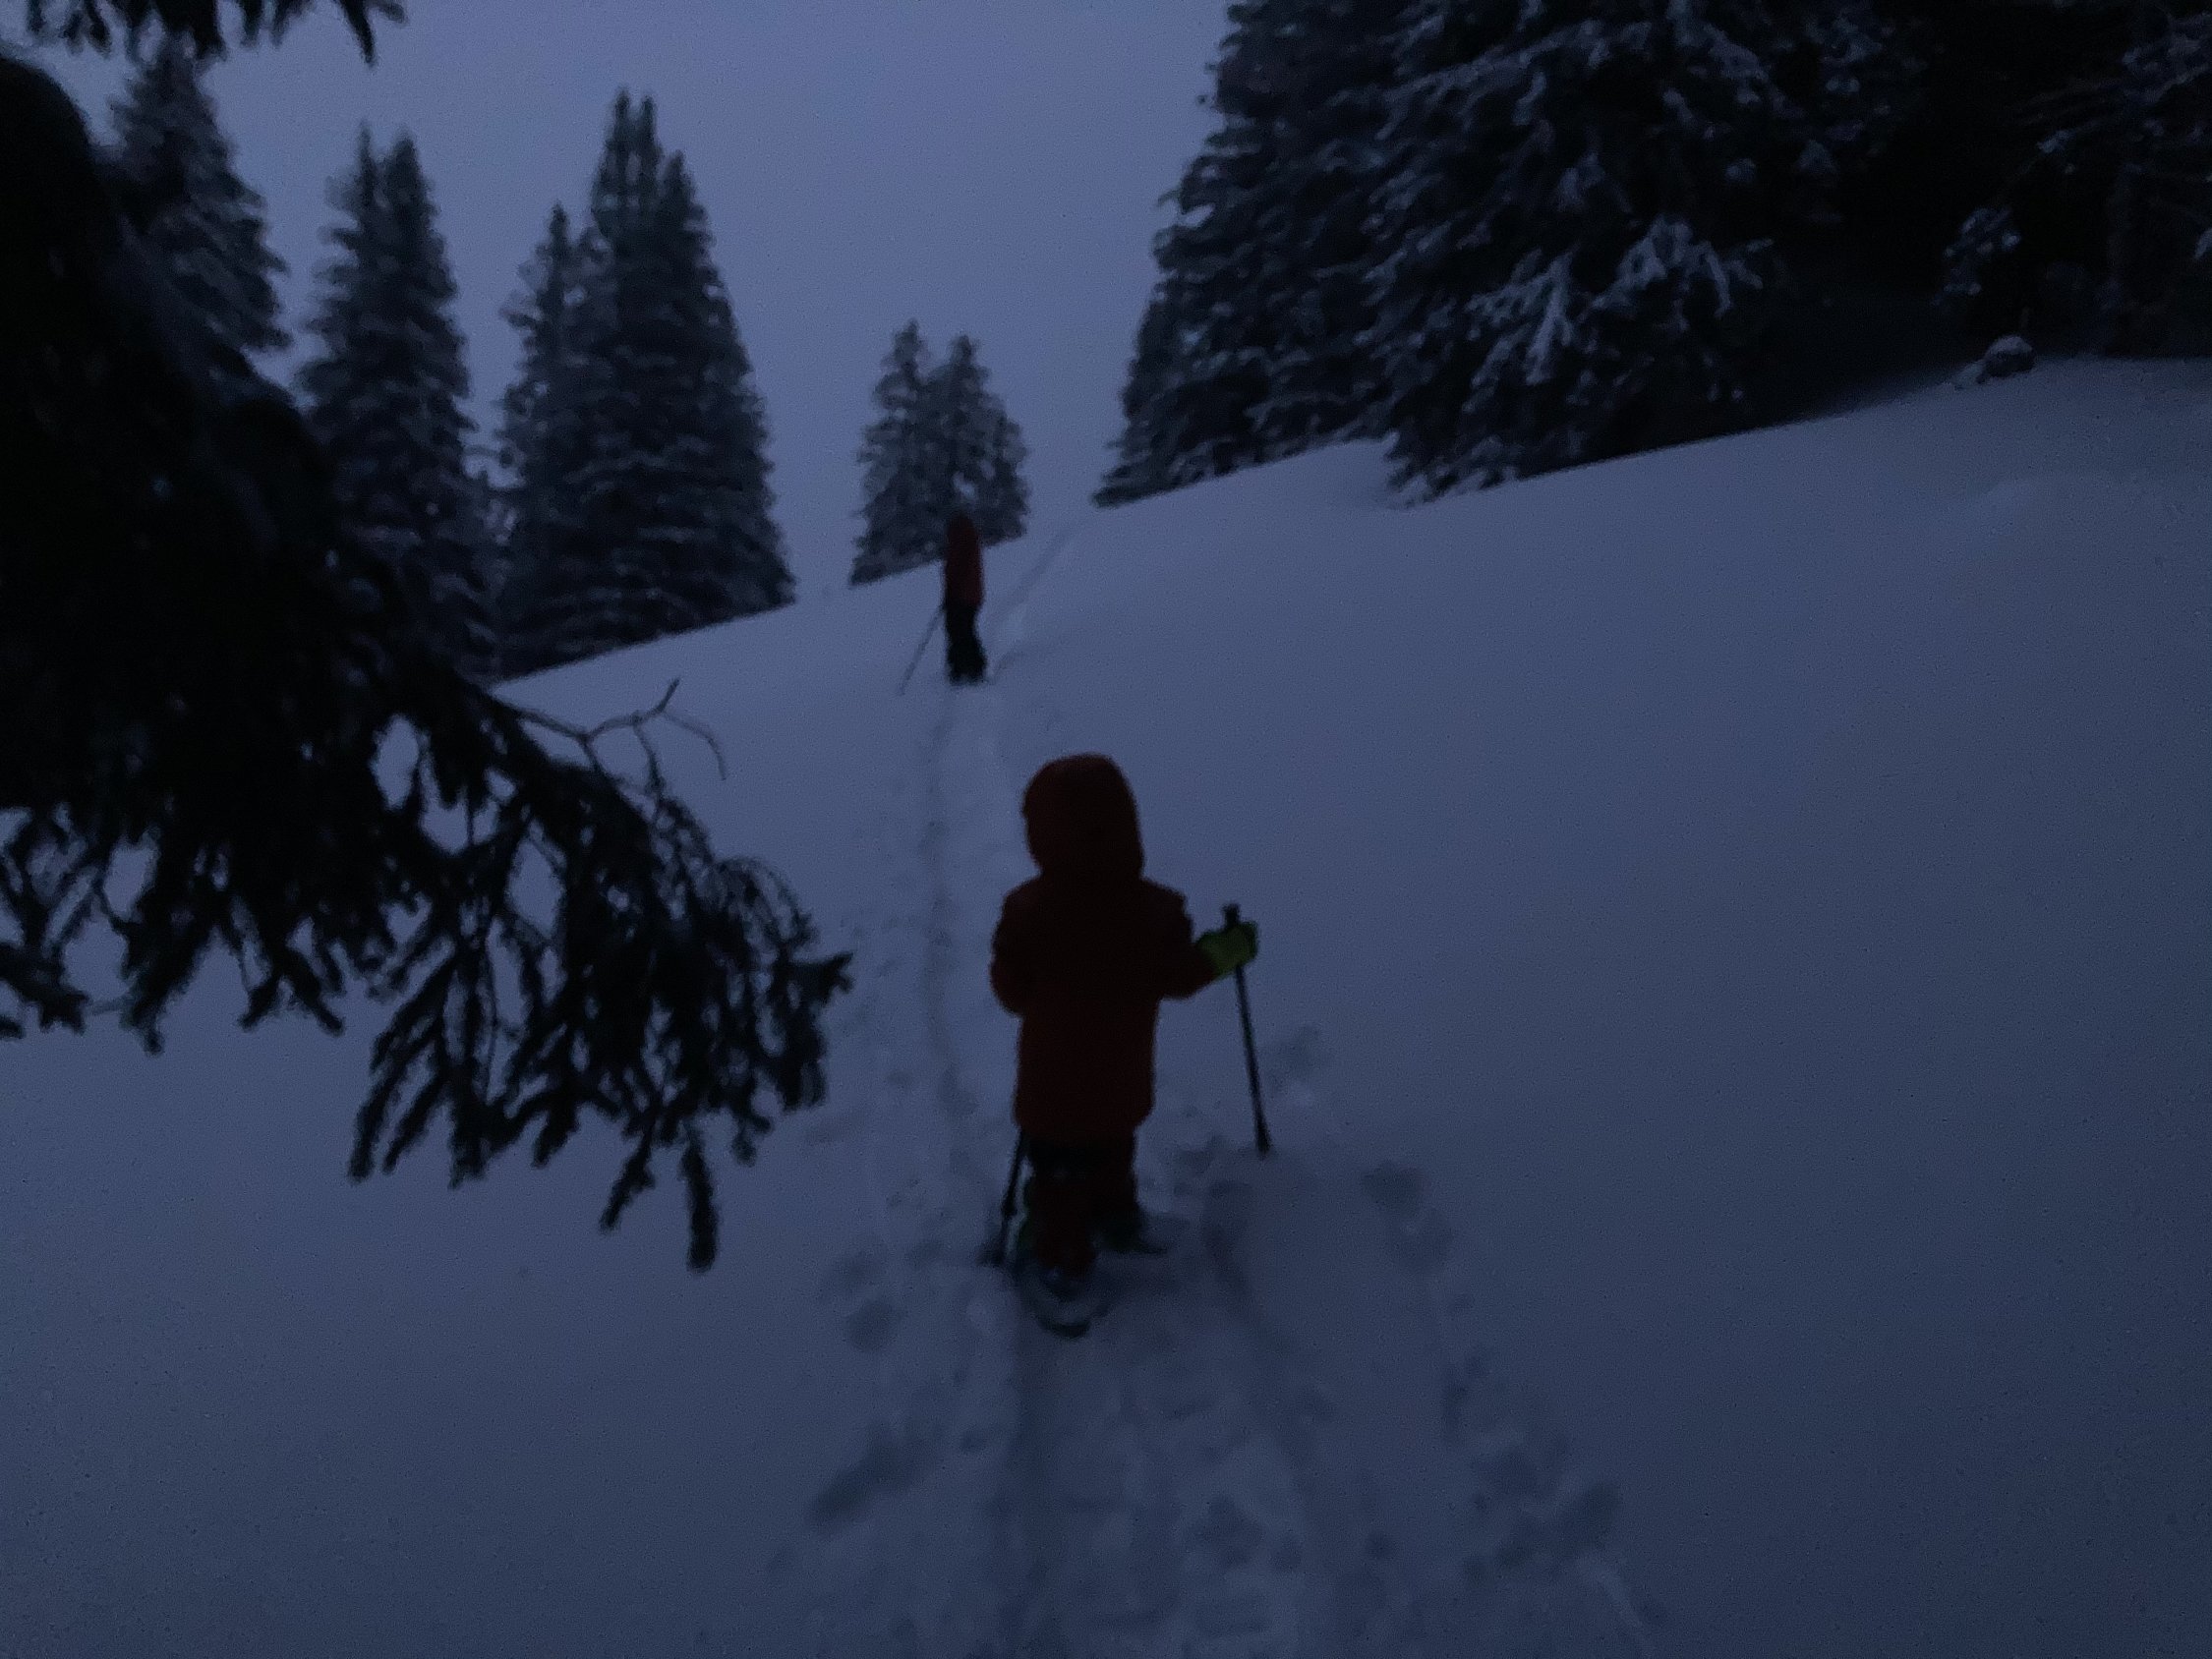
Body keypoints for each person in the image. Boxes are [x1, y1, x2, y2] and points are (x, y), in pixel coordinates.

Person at [988, 754, 1259, 1322]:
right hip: (1121, 1082)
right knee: (1112, 1149)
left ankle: (1061, 1258)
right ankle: (1115, 1216)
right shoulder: (1153, 913)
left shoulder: (1029, 913)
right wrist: (1228, 950)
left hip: (1053, 1092)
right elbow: (1181, 974)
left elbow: (1010, 993)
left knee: (1060, 1173)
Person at [943, 511, 987, 685]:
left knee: (960, 630)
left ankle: (967, 667)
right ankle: (966, 666)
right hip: (968, 595)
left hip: (962, 596)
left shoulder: (961, 541)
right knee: (962, 629)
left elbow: (955, 571)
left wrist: (951, 594)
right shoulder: (966, 540)